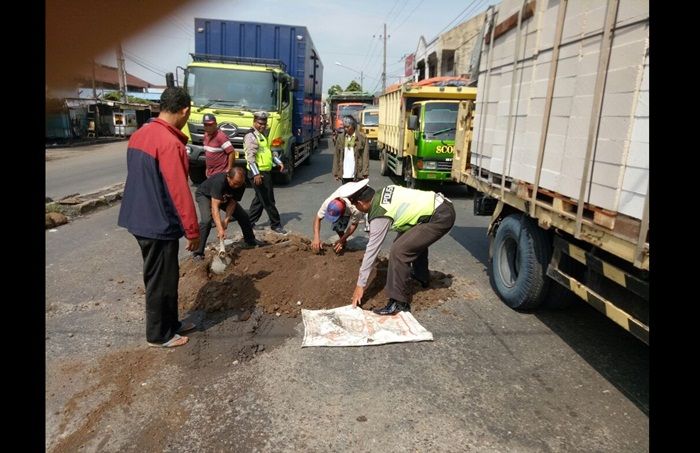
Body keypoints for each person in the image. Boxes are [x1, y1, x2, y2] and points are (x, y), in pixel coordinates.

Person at [117, 87, 200, 348]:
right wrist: (193, 230)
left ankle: (171, 323)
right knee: (159, 279)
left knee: (168, 275)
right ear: (184, 110)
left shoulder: (140, 134)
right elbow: (179, 190)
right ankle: (158, 335)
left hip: (141, 216)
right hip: (156, 222)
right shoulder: (169, 142)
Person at [347, 184, 456, 315]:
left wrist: (360, 285)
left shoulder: (380, 213)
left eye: (355, 206)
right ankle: (421, 277)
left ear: (361, 203)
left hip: (440, 216)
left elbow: (372, 250)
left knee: (399, 251)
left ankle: (398, 303)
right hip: (440, 208)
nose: (356, 209)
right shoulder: (380, 193)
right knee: (405, 243)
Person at [192, 166, 262, 260]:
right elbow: (215, 207)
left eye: (239, 184)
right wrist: (220, 229)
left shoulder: (241, 184)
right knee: (206, 221)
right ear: (228, 177)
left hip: (225, 197)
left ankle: (250, 241)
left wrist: (226, 220)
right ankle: (198, 253)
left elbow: (232, 203)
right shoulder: (219, 182)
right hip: (206, 195)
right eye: (235, 183)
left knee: (243, 216)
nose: (237, 186)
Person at [245, 111, 288, 234]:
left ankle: (249, 223)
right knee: (268, 200)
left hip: (265, 171)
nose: (262, 125)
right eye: (259, 123)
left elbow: (267, 152)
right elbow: (250, 157)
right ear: (254, 122)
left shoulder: (262, 135)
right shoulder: (251, 136)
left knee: (259, 199)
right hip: (259, 173)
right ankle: (276, 224)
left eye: (264, 123)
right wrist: (256, 174)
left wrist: (278, 161)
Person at [311, 179, 369, 255]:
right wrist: (316, 237)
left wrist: (342, 240)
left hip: (365, 198)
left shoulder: (356, 208)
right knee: (337, 226)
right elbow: (318, 218)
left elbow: (354, 224)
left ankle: (369, 250)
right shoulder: (328, 202)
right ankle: (343, 241)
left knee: (370, 226)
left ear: (343, 213)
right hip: (347, 192)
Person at [332, 115, 369, 184]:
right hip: (345, 174)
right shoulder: (340, 138)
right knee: (346, 193)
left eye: (348, 127)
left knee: (356, 194)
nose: (346, 129)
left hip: (357, 173)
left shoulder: (362, 138)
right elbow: (337, 155)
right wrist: (336, 172)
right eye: (344, 127)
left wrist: (365, 172)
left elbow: (365, 156)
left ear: (353, 126)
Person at [202, 113, 236, 178]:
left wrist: (229, 169)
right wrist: (207, 169)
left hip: (220, 174)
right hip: (210, 173)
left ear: (215, 124)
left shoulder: (221, 136)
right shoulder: (205, 135)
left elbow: (232, 152)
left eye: (210, 125)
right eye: (205, 125)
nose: (208, 127)